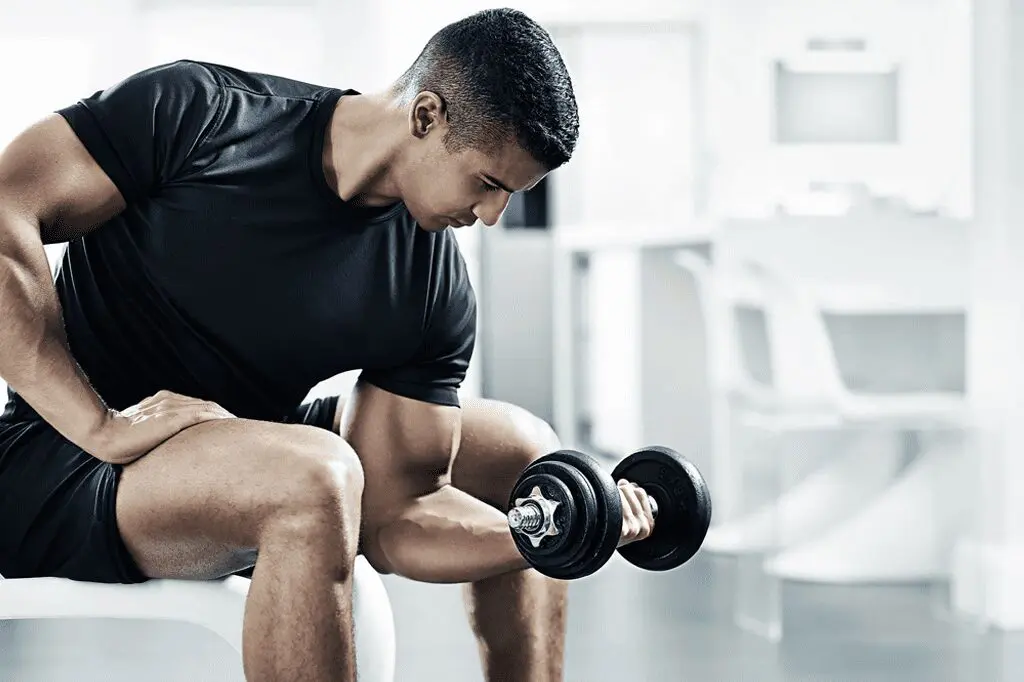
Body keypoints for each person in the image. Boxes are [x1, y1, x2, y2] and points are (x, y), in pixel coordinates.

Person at [0, 8, 654, 682]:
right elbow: (5, 206)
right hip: (61, 464)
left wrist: (546, 530)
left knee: (530, 453)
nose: (491, 218)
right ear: (426, 116)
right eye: (488, 184)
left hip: (252, 450)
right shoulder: (203, 116)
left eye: (513, 196)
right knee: (315, 475)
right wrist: (101, 426)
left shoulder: (430, 280)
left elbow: (400, 515)